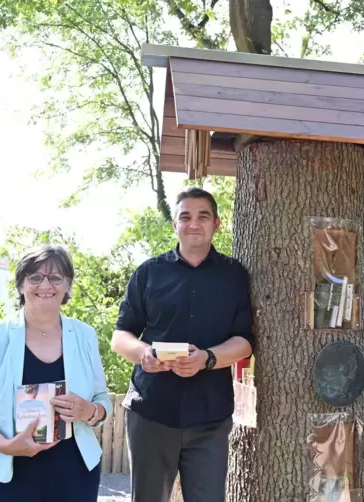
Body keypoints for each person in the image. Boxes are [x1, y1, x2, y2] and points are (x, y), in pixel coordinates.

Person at [112, 187, 255, 502]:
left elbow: (245, 341)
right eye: (185, 216)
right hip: (151, 411)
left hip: (210, 417)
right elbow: (120, 335)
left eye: (203, 216)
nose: (194, 223)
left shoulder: (234, 276)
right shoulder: (149, 272)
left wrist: (207, 358)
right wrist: (144, 354)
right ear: (174, 223)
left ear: (217, 223)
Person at [0, 245, 112, 502]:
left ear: (67, 285)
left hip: (73, 474)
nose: (45, 285)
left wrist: (91, 412)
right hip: (5, 474)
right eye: (35, 277)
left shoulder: (85, 335)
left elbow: (102, 400)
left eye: (55, 277)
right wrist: (7, 447)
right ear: (20, 286)